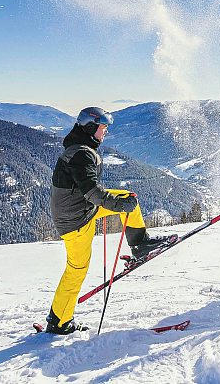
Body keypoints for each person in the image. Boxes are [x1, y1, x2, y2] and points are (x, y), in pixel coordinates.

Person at [45, 106, 173, 335]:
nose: (106, 131)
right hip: (76, 220)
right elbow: (92, 192)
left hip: (81, 208)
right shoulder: (81, 154)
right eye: (103, 127)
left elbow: (89, 192)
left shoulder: (81, 149)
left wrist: (120, 203)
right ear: (90, 127)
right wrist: (116, 205)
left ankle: (140, 244)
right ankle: (59, 322)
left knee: (129, 198)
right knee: (76, 269)